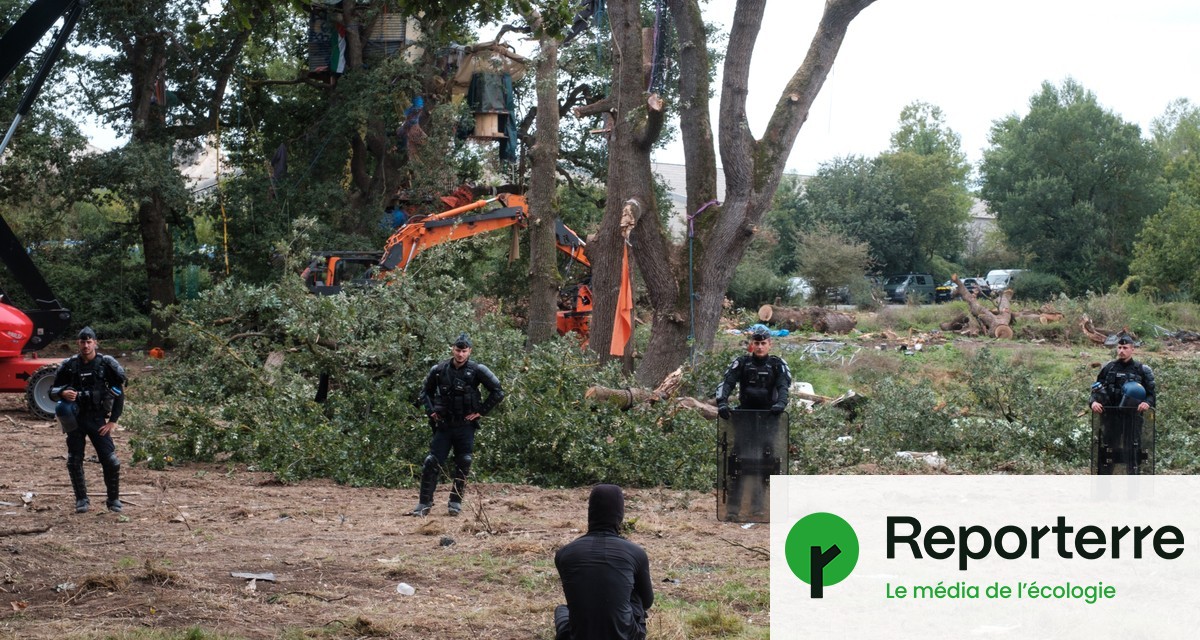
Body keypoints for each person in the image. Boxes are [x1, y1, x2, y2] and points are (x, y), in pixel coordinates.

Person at [408, 333, 504, 517]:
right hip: (444, 425)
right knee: (431, 462)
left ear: (470, 351)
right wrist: (431, 411)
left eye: (464, 351)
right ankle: (424, 504)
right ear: (453, 349)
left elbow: (498, 392)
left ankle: (455, 502)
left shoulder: (478, 370)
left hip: (465, 425)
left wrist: (481, 411)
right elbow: (425, 392)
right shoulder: (439, 369)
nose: (460, 354)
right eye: (458, 350)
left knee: (463, 462)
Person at [554, 484, 654, 640]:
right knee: (633, 591)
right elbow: (647, 601)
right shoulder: (636, 553)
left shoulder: (564, 554)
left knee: (562, 610)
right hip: (626, 635)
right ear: (620, 514)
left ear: (590, 513)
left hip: (578, 635)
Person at [50, 327, 127, 514]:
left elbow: (119, 392)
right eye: (83, 342)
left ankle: (113, 500)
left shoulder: (105, 364)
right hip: (75, 419)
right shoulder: (69, 366)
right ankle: (81, 500)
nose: (86, 345)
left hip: (97, 419)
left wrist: (113, 421)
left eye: (89, 341)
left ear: (95, 343)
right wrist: (62, 392)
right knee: (74, 460)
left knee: (111, 460)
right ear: (78, 343)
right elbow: (51, 391)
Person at [1090, 335, 1156, 474]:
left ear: (1132, 349)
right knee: (1107, 453)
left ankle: (1133, 493)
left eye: (1125, 348)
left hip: (1132, 419)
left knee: (1132, 454)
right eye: (1119, 347)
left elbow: (1151, 395)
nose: (1121, 351)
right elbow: (1095, 391)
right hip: (1110, 419)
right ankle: (1103, 491)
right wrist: (1093, 402)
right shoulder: (1108, 368)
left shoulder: (1142, 370)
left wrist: (1146, 403)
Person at [714, 323, 791, 418]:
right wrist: (722, 403)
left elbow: (783, 386)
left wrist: (781, 403)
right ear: (752, 345)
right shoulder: (742, 362)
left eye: (763, 343)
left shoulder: (777, 364)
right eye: (757, 343)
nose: (760, 347)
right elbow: (727, 383)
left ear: (770, 345)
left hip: (770, 415)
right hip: (744, 414)